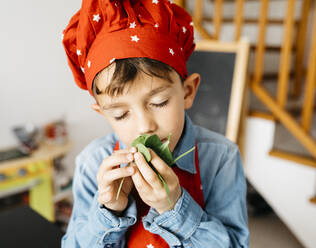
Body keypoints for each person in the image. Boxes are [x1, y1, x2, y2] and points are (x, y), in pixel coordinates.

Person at [61, 0, 249, 247]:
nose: (144, 126)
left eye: (159, 102)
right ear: (103, 114)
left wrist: (174, 208)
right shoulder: (92, 162)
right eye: (120, 115)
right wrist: (109, 212)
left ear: (188, 92)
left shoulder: (221, 158)